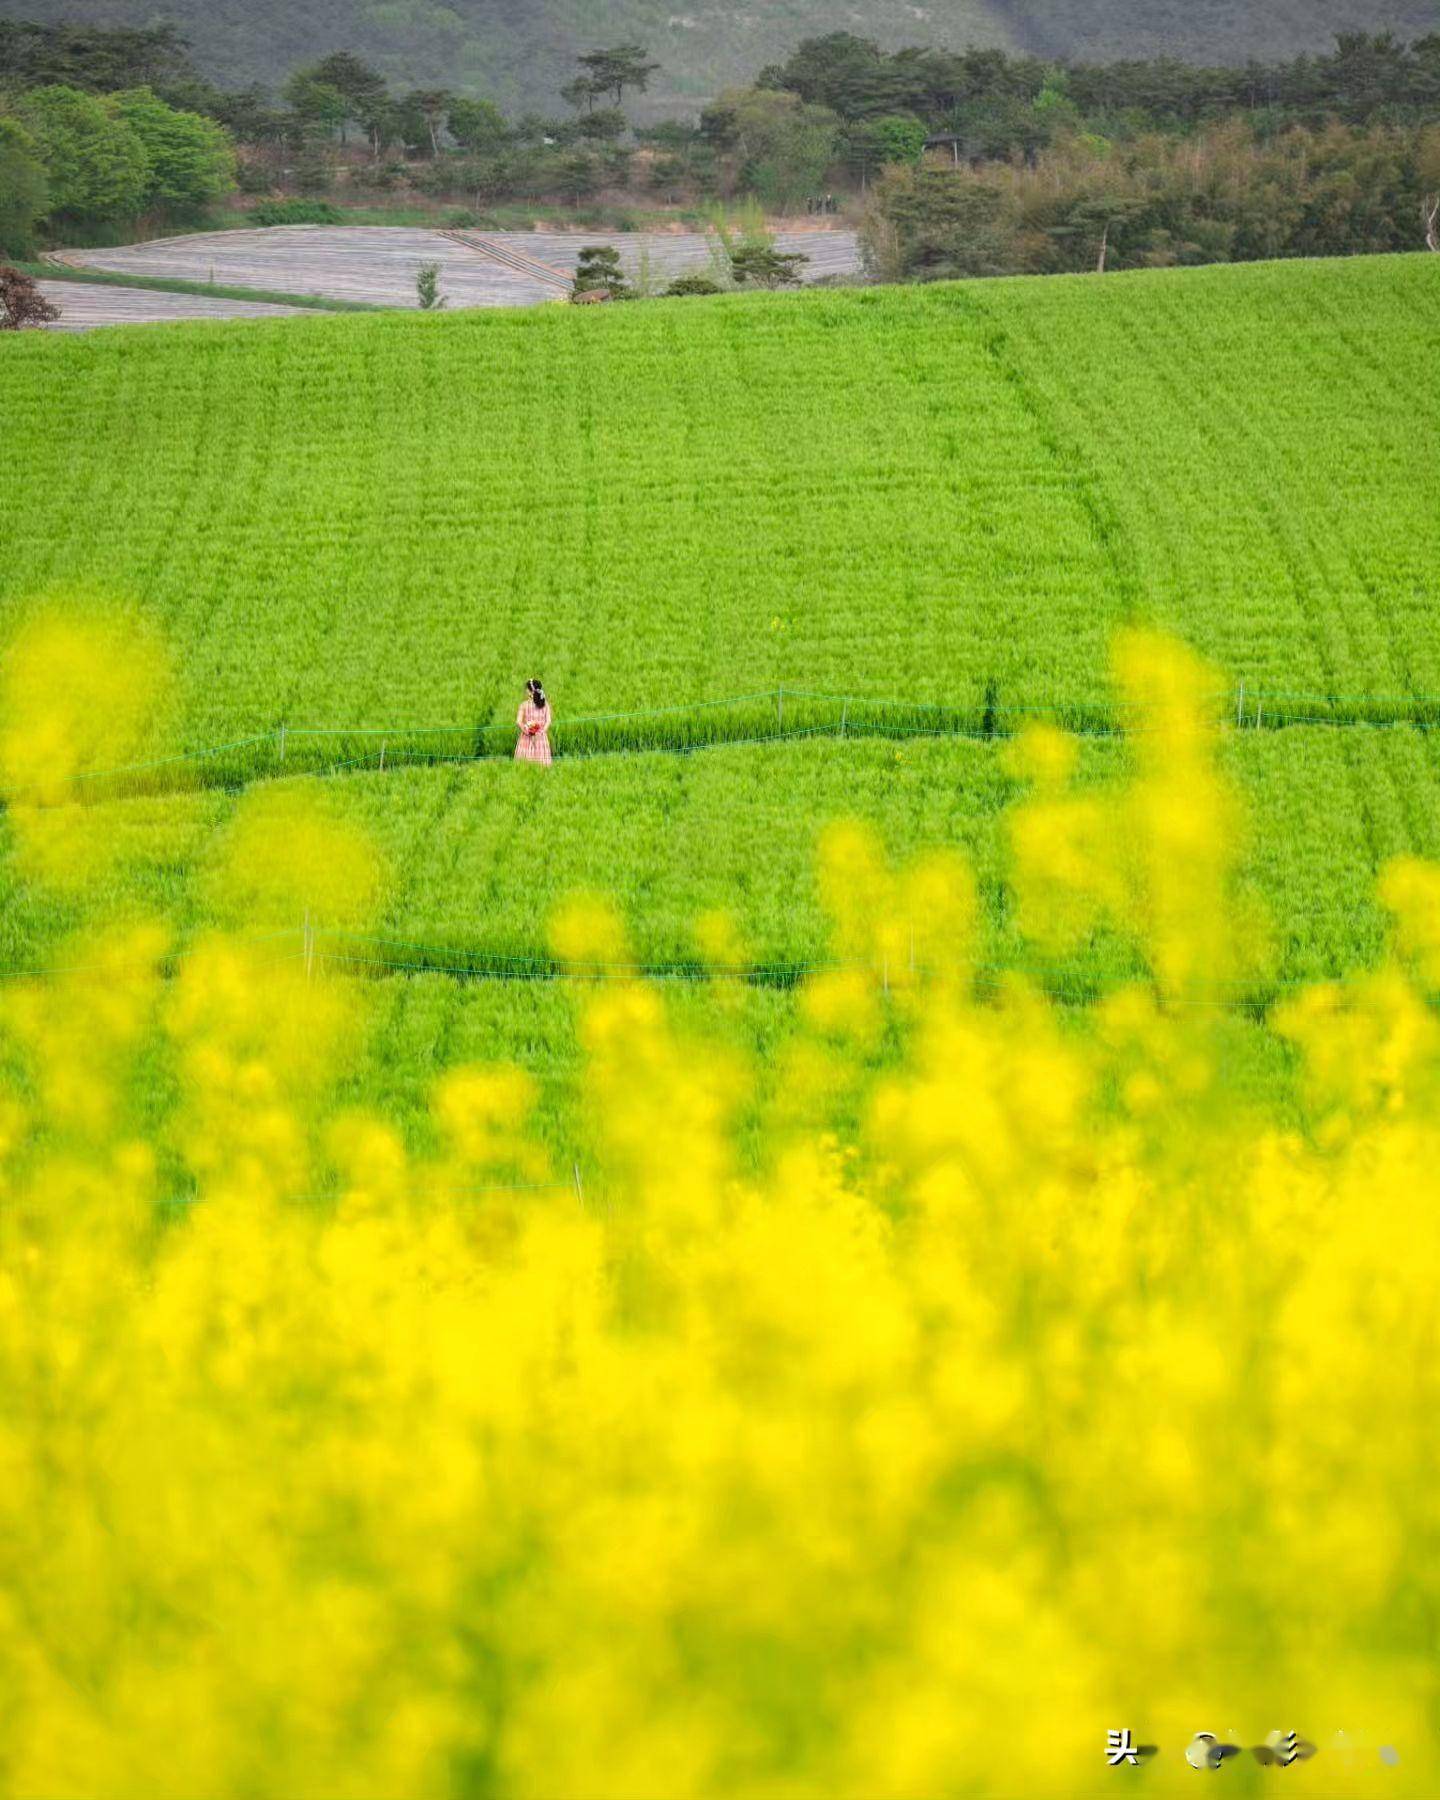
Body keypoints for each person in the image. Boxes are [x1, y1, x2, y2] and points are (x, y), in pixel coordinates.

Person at [515, 678, 552, 765]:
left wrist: (527, 731)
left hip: (526, 737)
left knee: (524, 763)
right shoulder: (545, 704)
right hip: (541, 738)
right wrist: (541, 732)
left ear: (529, 691)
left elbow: (518, 721)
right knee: (542, 763)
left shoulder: (524, 705)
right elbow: (548, 721)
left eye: (527, 689)